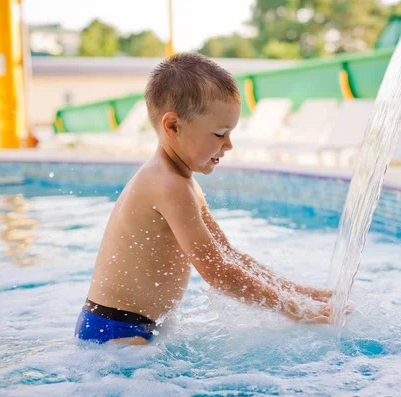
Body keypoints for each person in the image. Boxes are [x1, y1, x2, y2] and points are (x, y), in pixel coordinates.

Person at [75, 53, 340, 345]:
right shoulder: (166, 184)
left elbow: (227, 254)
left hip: (130, 327)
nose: (228, 145)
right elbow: (218, 272)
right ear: (173, 126)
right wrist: (295, 311)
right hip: (116, 332)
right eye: (219, 133)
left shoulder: (184, 183)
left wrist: (300, 292)